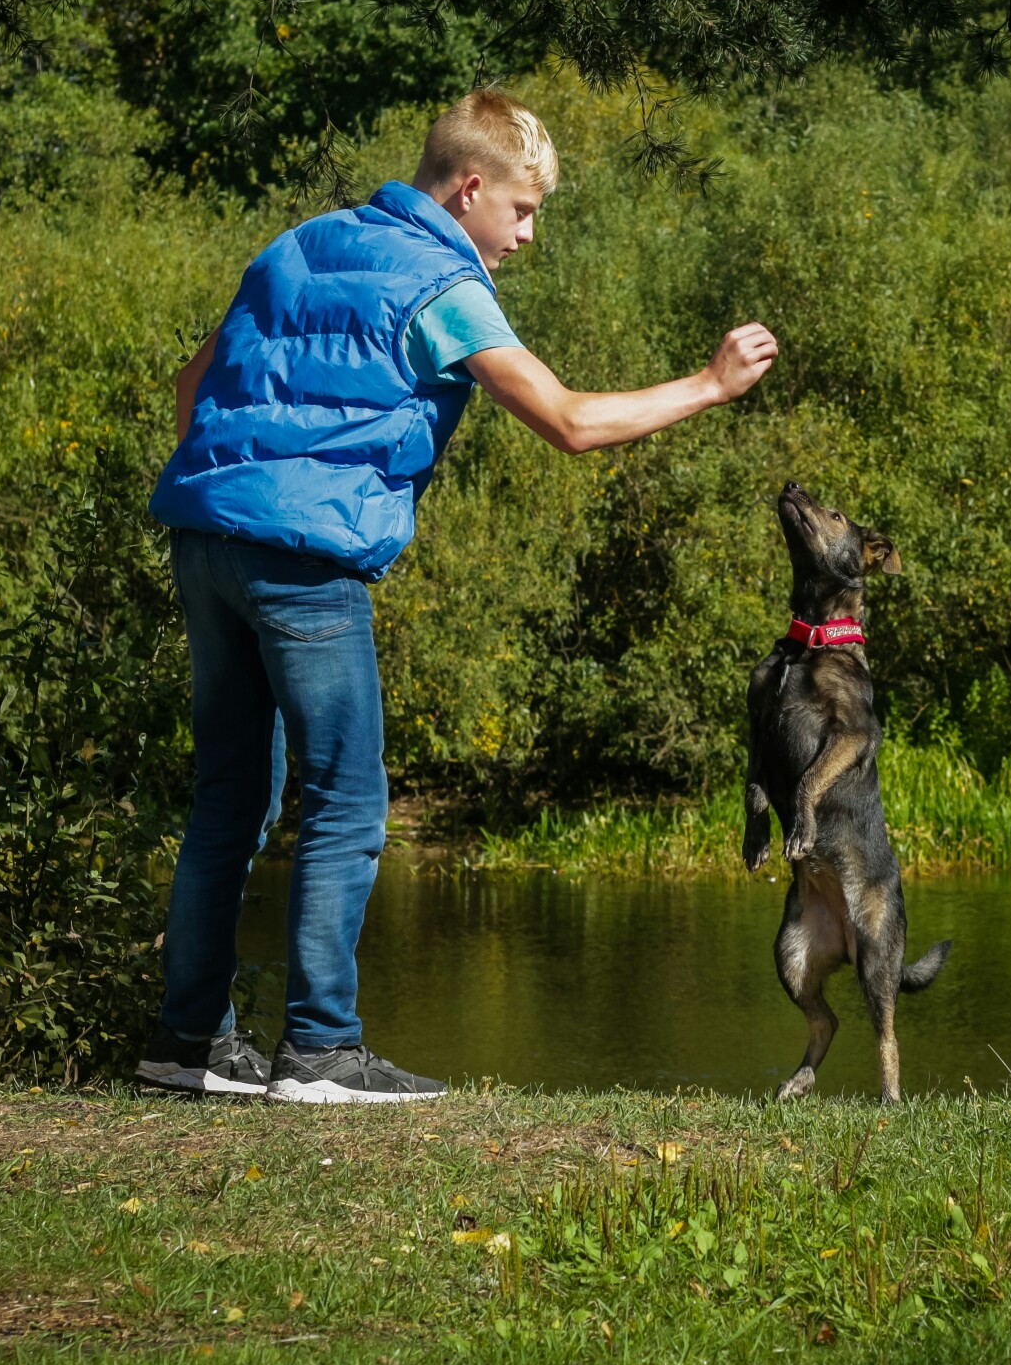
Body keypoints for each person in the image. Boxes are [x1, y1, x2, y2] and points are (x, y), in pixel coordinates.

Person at [139, 89, 779, 1103]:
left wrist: (239, 492)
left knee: (229, 798)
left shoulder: (297, 246)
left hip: (204, 539)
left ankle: (187, 1047)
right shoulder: (442, 283)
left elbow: (190, 389)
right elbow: (568, 421)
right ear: (470, 189)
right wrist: (709, 385)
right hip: (305, 559)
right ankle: (320, 1052)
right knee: (345, 799)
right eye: (522, 210)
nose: (525, 235)